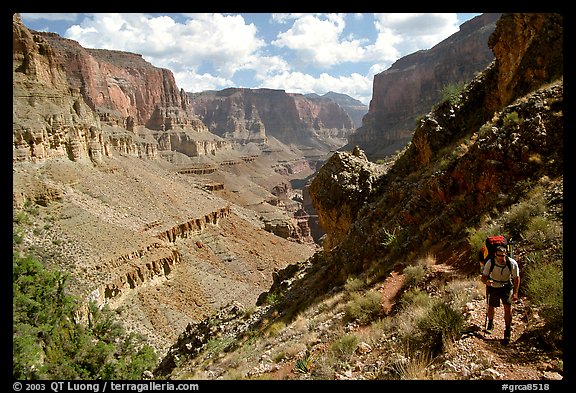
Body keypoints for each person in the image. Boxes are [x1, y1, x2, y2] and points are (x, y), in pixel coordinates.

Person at [481, 245, 520, 343]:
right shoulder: (490, 263)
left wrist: (515, 293)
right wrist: (486, 282)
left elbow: (516, 279)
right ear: (495, 254)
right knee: (491, 306)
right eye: (499, 255)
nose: (501, 258)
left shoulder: (512, 263)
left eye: (503, 256)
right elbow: (483, 277)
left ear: (506, 254)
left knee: (507, 307)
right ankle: (490, 324)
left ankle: (507, 330)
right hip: (494, 285)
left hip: (506, 286)